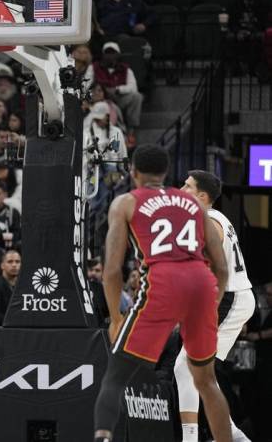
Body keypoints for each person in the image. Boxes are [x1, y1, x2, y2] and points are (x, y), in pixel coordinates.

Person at [92, 144, 231, 442]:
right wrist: (212, 304)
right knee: (207, 382)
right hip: (201, 282)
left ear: (133, 172)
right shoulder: (194, 204)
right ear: (166, 173)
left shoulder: (126, 202)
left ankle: (102, 438)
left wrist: (116, 317)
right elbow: (221, 267)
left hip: (164, 280)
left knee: (115, 376)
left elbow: (113, 270)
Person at [174, 170, 255, 442]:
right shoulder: (210, 219)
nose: (181, 189)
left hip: (228, 298)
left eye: (187, 186)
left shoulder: (209, 220)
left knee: (186, 364)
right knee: (197, 370)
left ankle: (191, 437)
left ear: (202, 196)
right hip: (231, 297)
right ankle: (233, 436)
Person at [88, 42, 143, 143]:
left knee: (137, 97)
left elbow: (133, 87)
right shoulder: (94, 67)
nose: (110, 56)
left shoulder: (126, 69)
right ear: (103, 55)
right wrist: (99, 90)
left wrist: (117, 89)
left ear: (118, 55)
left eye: (113, 53)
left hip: (119, 98)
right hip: (100, 98)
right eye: (107, 53)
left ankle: (131, 132)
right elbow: (86, 83)